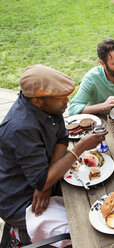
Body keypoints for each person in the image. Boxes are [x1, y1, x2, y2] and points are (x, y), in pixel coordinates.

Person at [0, 64, 107, 245]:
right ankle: (21, 235)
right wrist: (80, 147)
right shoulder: (20, 128)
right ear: (37, 101)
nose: (67, 101)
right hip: (21, 201)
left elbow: (62, 138)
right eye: (61, 98)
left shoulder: (50, 107)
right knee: (85, 229)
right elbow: (42, 179)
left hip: (40, 183)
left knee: (97, 197)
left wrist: (47, 183)